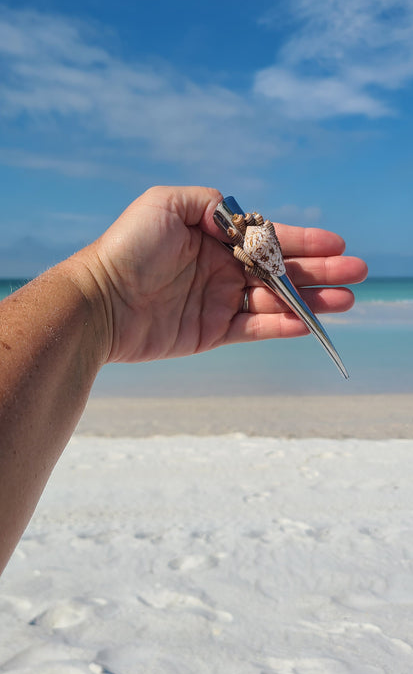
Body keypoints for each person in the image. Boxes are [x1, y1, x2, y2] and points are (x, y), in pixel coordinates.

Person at [0, 185, 367, 573]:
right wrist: (102, 291)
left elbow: (250, 257)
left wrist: (102, 293)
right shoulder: (256, 231)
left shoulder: (250, 236)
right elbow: (250, 256)